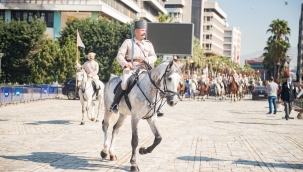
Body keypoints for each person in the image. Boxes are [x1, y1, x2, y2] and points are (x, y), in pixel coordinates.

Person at [110, 20, 157, 114]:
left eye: (145, 30)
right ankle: (115, 104)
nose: (144, 32)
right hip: (132, 68)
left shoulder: (148, 43)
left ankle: (156, 106)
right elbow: (119, 55)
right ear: (136, 31)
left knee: (156, 83)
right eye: (142, 30)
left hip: (145, 68)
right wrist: (126, 64)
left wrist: (148, 60)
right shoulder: (128, 42)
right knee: (124, 83)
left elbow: (154, 56)